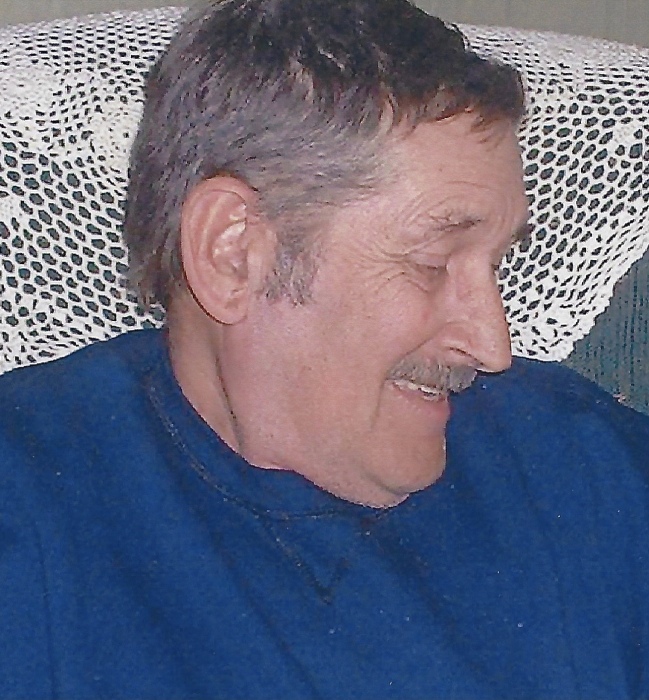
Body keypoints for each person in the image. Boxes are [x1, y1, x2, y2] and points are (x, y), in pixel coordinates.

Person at [1, 0, 648, 697]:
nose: (493, 346)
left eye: (495, 264)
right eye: (432, 263)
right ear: (233, 254)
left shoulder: (582, 466)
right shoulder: (31, 514)